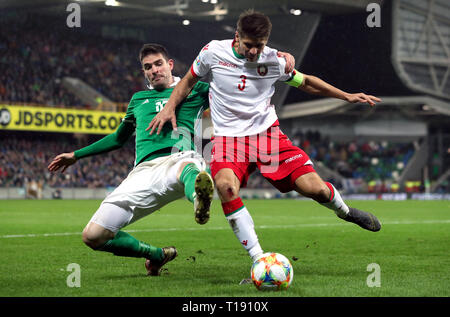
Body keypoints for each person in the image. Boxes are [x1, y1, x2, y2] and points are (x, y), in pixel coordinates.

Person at [147, 10, 382, 264]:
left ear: (266, 42)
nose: (253, 52)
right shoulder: (213, 52)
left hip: (268, 136)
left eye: (259, 46)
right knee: (226, 187)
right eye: (249, 45)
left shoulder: (275, 61)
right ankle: (259, 259)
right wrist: (170, 106)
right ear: (237, 37)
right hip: (227, 139)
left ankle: (345, 212)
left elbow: (306, 83)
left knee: (315, 190)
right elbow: (189, 81)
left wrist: (346, 95)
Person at [47, 43, 215, 276]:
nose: (154, 70)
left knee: (186, 168)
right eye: (148, 67)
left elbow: (230, 91)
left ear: (170, 65)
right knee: (93, 235)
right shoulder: (138, 99)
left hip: (180, 157)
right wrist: (76, 155)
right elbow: (118, 139)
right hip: (142, 173)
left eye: (158, 64)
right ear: (144, 72)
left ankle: (199, 198)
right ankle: (156, 255)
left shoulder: (196, 89)